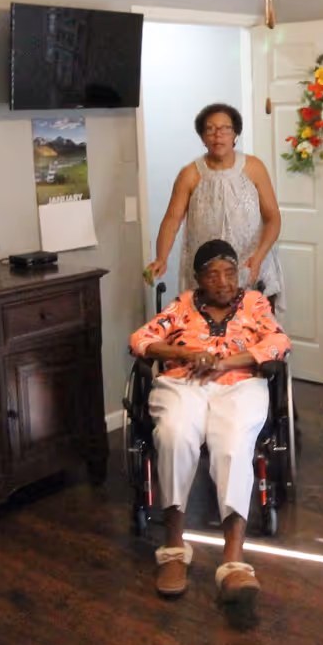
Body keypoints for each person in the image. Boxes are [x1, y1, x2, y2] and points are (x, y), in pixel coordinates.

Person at [129, 240, 289, 611]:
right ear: (198, 279)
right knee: (174, 434)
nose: (223, 281)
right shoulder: (182, 306)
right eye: (213, 275)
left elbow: (279, 341)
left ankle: (233, 563)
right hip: (183, 381)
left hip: (241, 383)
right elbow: (140, 339)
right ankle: (173, 549)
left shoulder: (254, 303)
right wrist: (183, 353)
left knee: (233, 444)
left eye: (230, 273)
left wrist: (225, 362)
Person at [147, 103, 283, 308]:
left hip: (251, 265)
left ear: (235, 134)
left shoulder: (254, 167)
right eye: (210, 129)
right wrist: (161, 257)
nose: (218, 135)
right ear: (202, 137)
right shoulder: (189, 174)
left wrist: (259, 257)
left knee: (254, 324)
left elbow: (273, 218)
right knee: (204, 325)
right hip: (208, 275)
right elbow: (172, 220)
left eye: (225, 129)